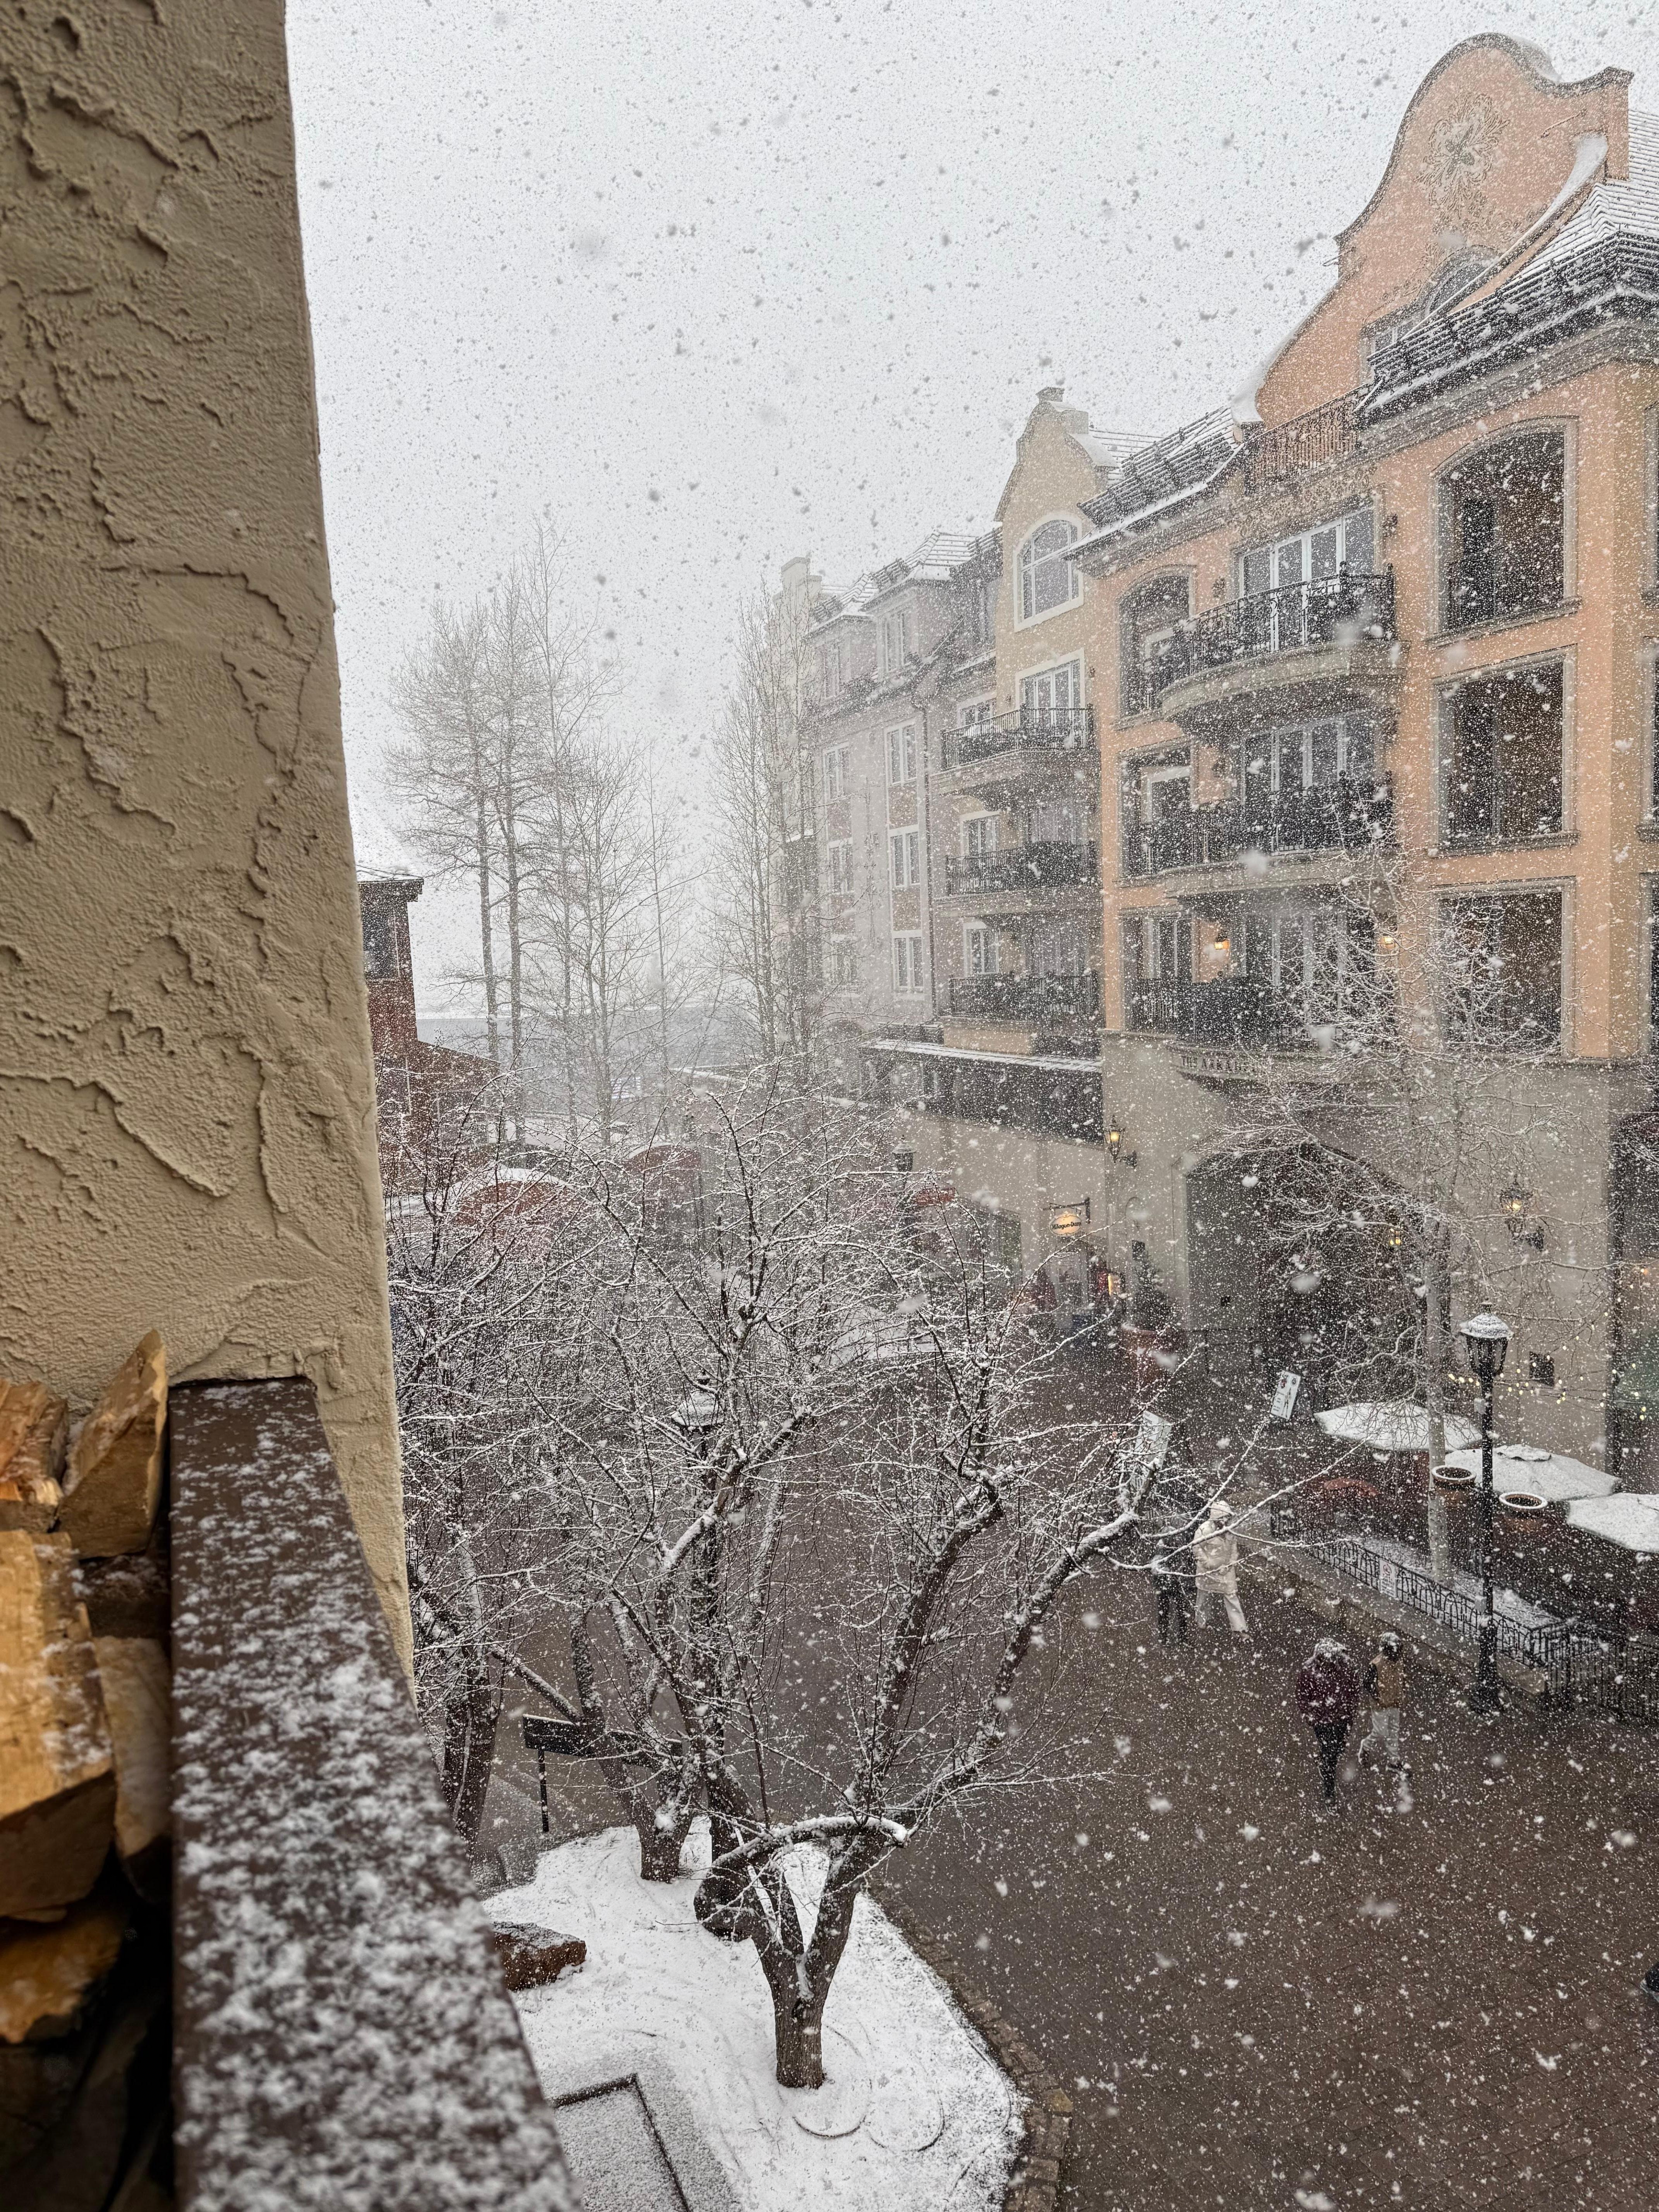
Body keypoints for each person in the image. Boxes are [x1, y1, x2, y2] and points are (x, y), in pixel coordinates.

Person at [1295, 1637, 1364, 1807]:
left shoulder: (1347, 1666)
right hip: (1322, 1722)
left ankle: (1326, 1757)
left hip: (1342, 1719)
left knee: (1339, 1748)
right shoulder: (1309, 1671)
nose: (1329, 1664)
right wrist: (1311, 1717)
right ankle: (1329, 1790)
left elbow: (1354, 1690)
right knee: (1331, 1756)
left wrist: (1350, 1712)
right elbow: (1303, 1698)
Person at [1192, 1498, 1249, 1637]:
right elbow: (1197, 1548)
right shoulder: (1204, 1530)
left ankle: (1239, 1629)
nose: (1225, 1521)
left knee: (1232, 1596)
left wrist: (1230, 1564)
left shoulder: (1230, 1530)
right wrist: (1208, 1564)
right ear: (1215, 1518)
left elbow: (1234, 1549)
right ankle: (1201, 1621)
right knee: (1204, 1597)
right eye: (1222, 1518)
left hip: (1226, 1571)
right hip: (1208, 1572)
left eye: (1227, 1518)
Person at [1359, 1631, 1407, 1769]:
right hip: (1381, 1705)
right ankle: (1366, 1746)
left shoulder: (1400, 1662)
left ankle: (1394, 1761)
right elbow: (1367, 1683)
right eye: (1395, 1651)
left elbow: (1403, 1678)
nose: (1397, 1654)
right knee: (1380, 1732)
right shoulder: (1376, 1664)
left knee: (1394, 1732)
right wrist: (1378, 1697)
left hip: (1395, 1702)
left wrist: (1402, 1693)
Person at [1149, 1540, 1193, 1645]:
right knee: (1167, 1609)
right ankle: (1169, 1637)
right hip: (1166, 1579)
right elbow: (1155, 1564)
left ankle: (1176, 1637)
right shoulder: (1164, 1542)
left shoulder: (1177, 1541)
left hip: (1172, 1579)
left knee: (1177, 1609)